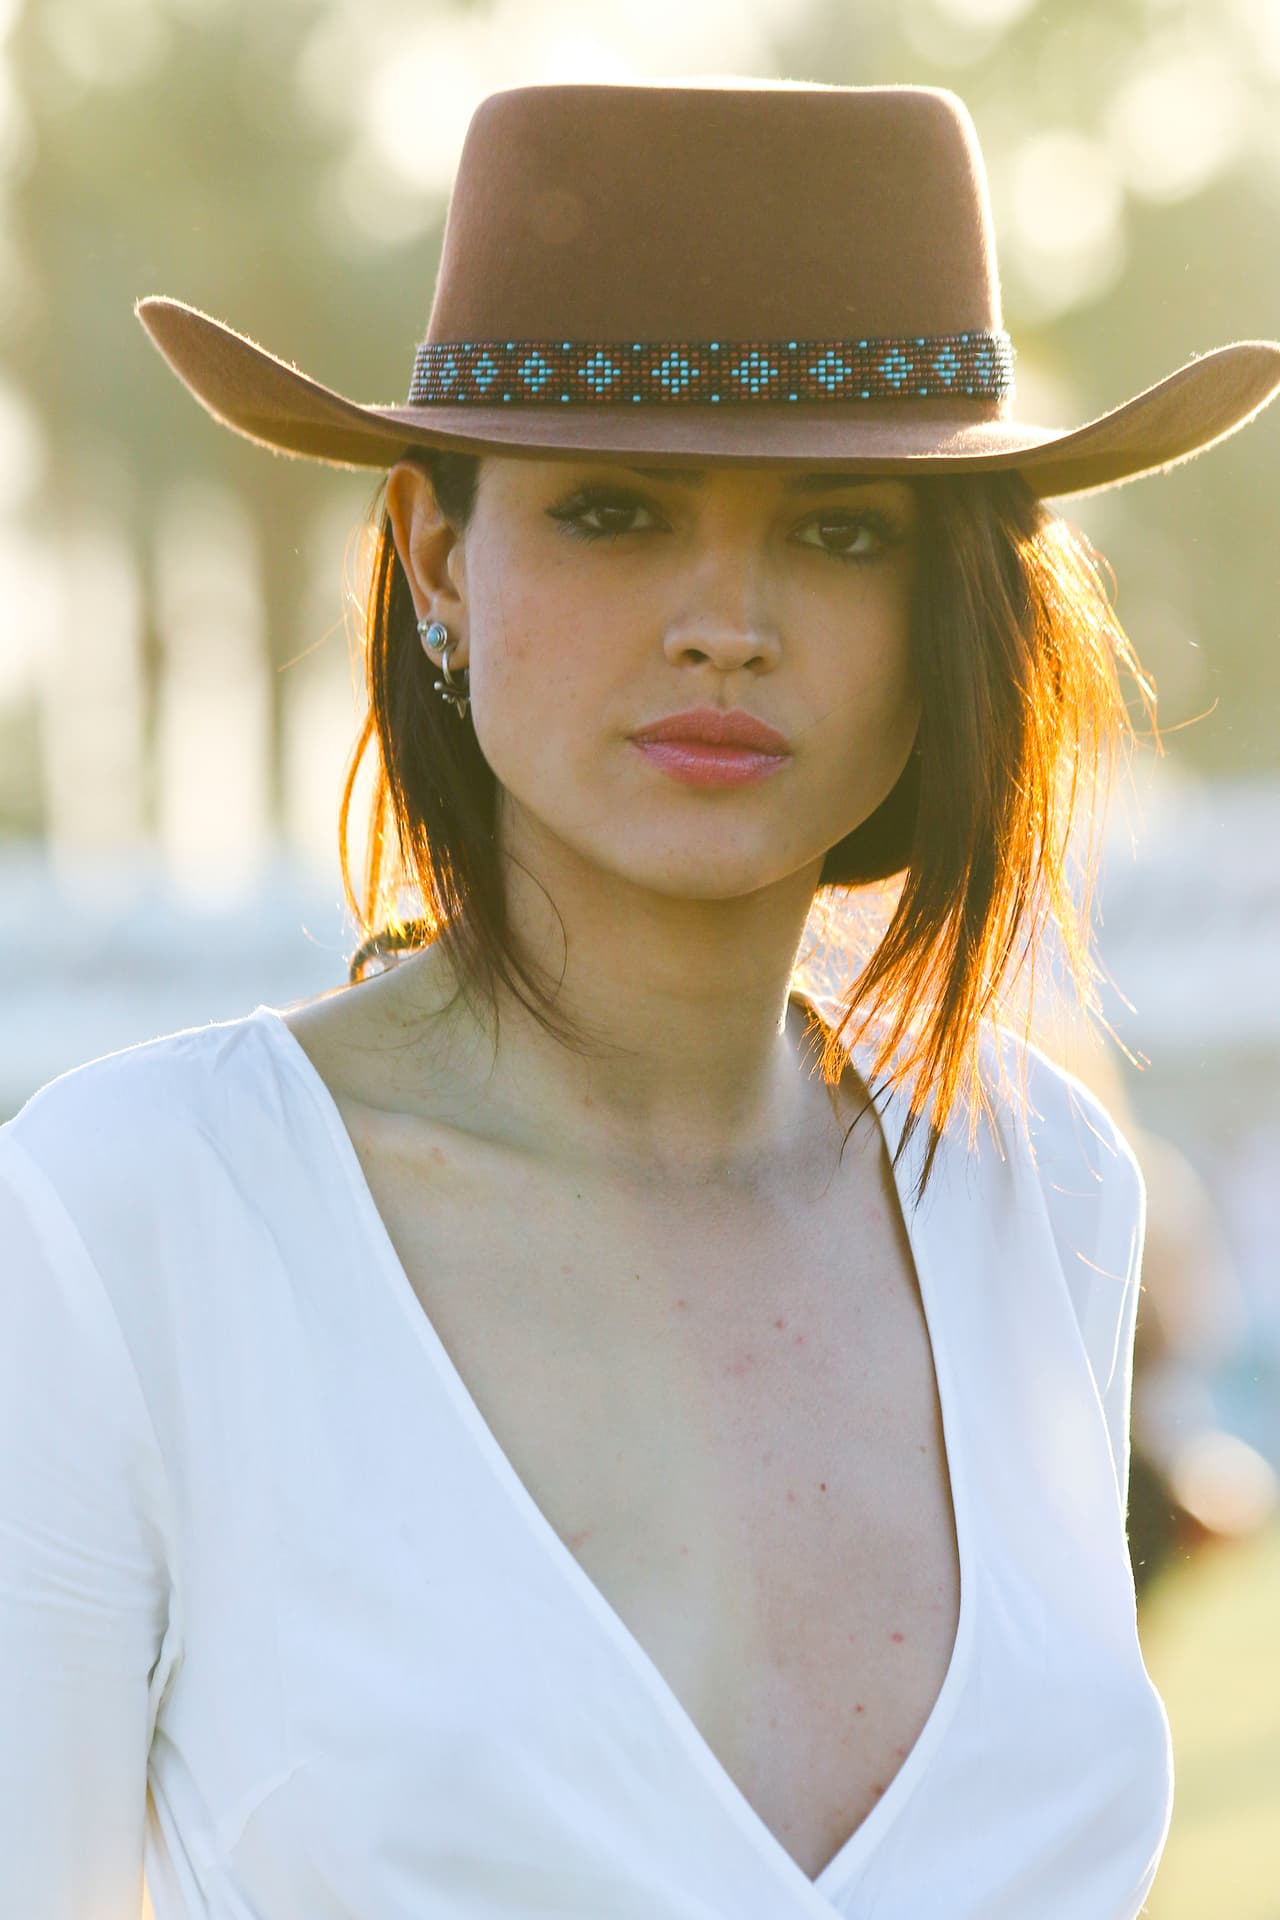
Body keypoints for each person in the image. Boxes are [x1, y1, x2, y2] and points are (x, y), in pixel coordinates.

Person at [3, 78, 1277, 1920]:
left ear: (950, 607)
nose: (726, 620)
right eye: (614, 510)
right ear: (438, 560)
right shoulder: (133, 1214)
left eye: (844, 531)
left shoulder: (1040, 1192)